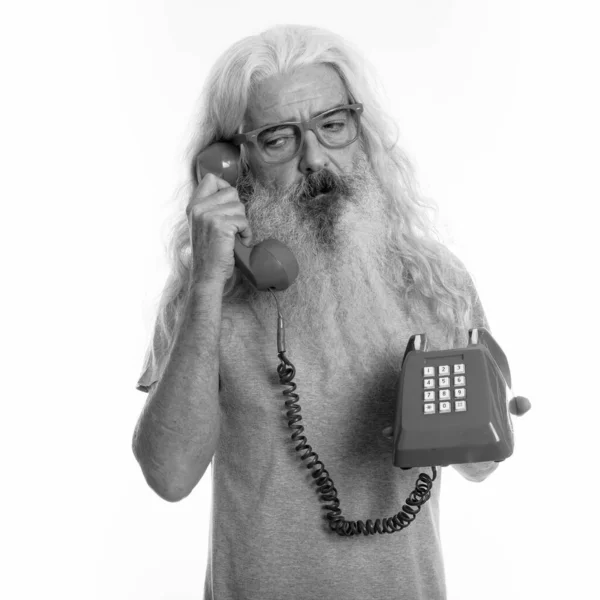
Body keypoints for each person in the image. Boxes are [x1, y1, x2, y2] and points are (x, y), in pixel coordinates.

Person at [132, 24, 501, 600]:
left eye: (333, 126)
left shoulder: (434, 279)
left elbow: (481, 469)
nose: (314, 158)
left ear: (361, 130)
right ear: (232, 161)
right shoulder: (205, 293)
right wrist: (207, 282)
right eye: (278, 138)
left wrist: (483, 423)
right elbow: (169, 476)